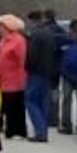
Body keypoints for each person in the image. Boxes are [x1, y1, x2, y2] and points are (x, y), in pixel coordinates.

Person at [0, 14, 27, 139]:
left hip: (15, 79)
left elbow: (21, 61)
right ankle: (10, 129)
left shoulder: (18, 41)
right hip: (3, 78)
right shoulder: (3, 40)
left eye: (1, 26)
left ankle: (17, 130)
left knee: (15, 105)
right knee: (7, 105)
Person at [24, 11, 55, 143]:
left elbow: (32, 56)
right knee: (43, 103)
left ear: (32, 20)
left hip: (36, 72)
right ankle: (43, 131)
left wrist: (27, 68)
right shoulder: (48, 33)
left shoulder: (35, 35)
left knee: (30, 100)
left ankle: (40, 130)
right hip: (48, 72)